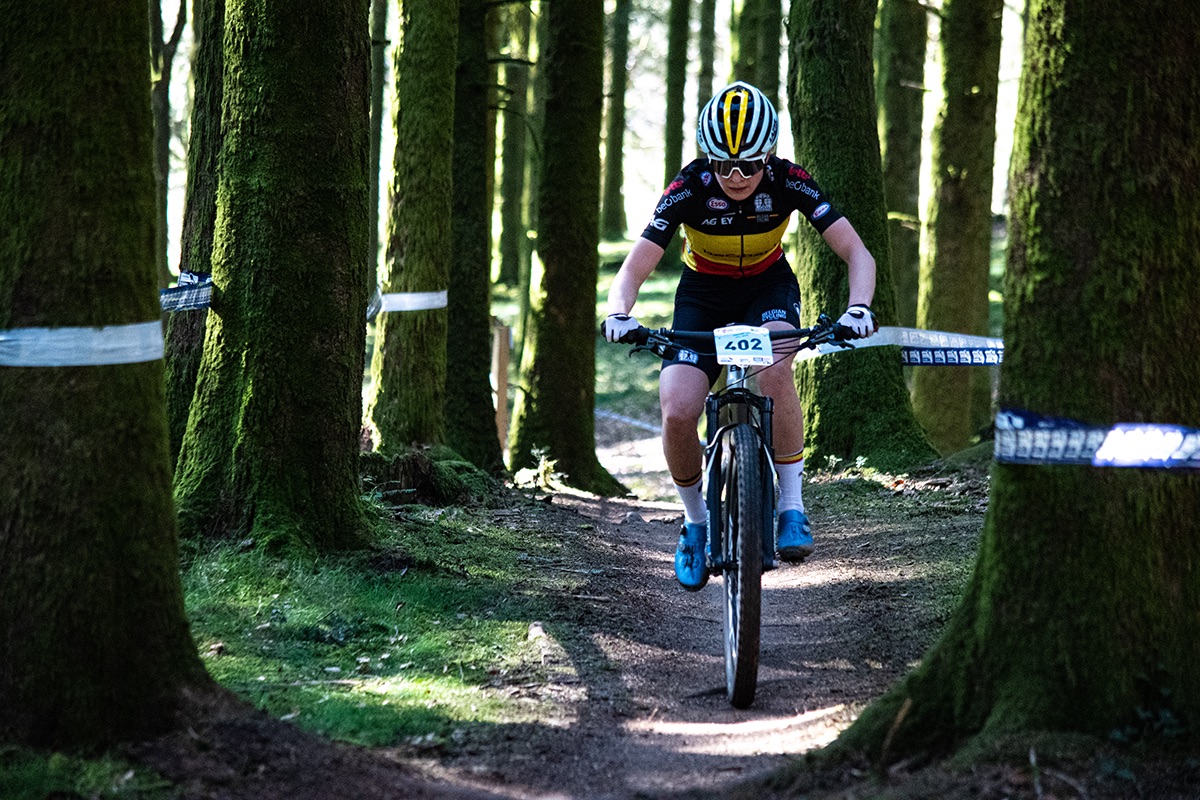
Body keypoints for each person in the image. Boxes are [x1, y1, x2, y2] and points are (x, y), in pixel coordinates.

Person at [603, 81, 878, 591]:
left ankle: (792, 507)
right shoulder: (688, 187)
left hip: (768, 288)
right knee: (678, 407)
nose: (734, 176)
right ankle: (695, 524)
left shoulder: (791, 180)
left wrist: (859, 307)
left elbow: (858, 253)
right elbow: (634, 269)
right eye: (723, 164)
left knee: (774, 369)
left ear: (767, 156)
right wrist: (619, 312)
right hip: (703, 295)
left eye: (748, 166)